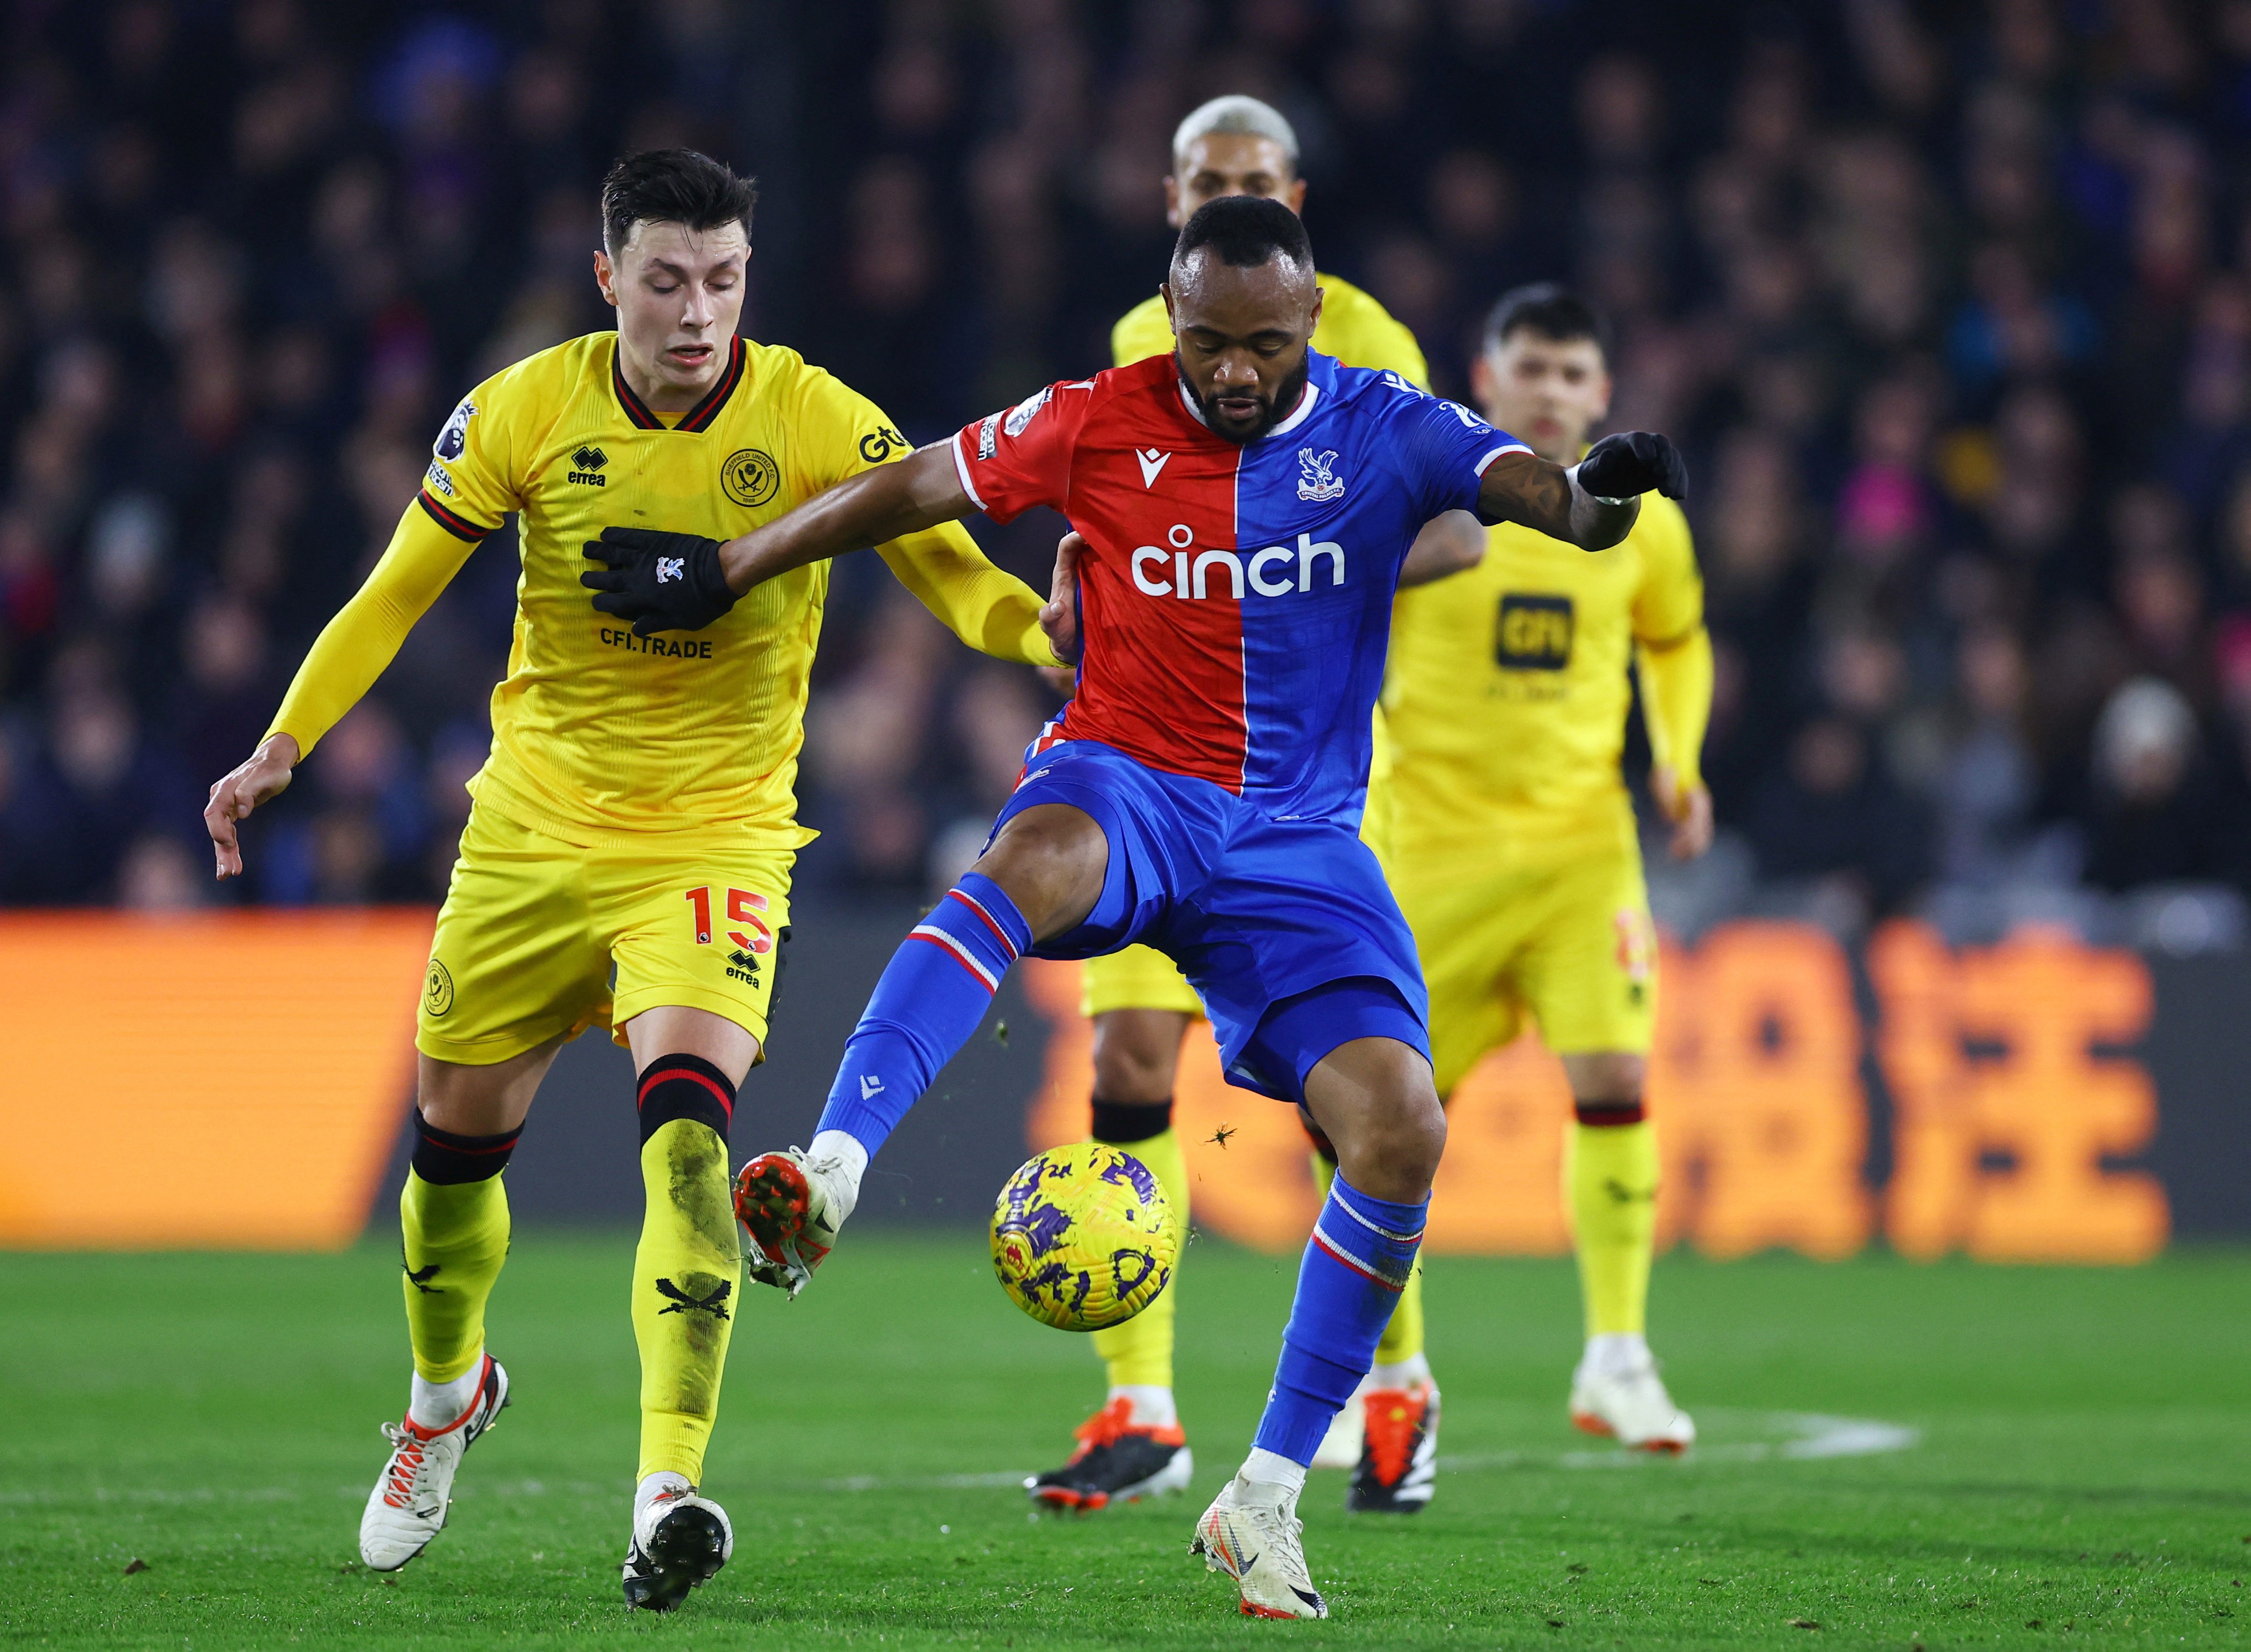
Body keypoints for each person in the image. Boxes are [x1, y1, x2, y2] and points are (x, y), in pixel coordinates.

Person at [585, 195, 1686, 1619]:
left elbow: (1552, 506)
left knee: (1401, 1128)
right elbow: (915, 487)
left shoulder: (1386, 425)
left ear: (1310, 322)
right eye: (1207, 340)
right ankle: (834, 1169)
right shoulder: (1096, 417)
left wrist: (1606, 491)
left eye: (1264, 345)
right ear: (1170, 316)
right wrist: (730, 565)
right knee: (1021, 864)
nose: (1232, 371)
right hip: (1130, 781)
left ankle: (1263, 1497)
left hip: (1297, 842)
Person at [201, 149, 1061, 1613]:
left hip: (713, 842)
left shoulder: (812, 416)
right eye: (665, 280)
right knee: (449, 1168)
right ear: (608, 279)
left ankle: (667, 1488)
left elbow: (955, 576)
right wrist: (284, 743)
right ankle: (443, 1398)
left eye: (722, 280)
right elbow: (395, 589)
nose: (697, 313)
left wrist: (1048, 636)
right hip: (530, 832)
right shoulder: (524, 409)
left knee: (689, 1148)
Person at [1041, 92, 1482, 1519]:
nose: (1221, 192)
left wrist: (1297, 562)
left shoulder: (1366, 337)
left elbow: (1458, 529)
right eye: (1199, 178)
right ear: (1169, 200)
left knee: (1339, 1097)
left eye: (1249, 176)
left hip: (1301, 778)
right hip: (1148, 763)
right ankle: (1140, 1403)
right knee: (1123, 1059)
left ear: (1294, 199)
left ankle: (1395, 1385)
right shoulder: (1139, 336)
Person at [1381, 284, 1713, 1454]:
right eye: (1530, 367)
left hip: (1581, 852)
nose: (1551, 391)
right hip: (1427, 854)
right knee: (1375, 1115)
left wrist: (1678, 760)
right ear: (1484, 378)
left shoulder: (1643, 523)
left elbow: (1674, 641)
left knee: (1615, 1073)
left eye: (1573, 374)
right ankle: (1388, 1371)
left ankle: (1617, 1356)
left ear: (1602, 393)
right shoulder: (1430, 500)